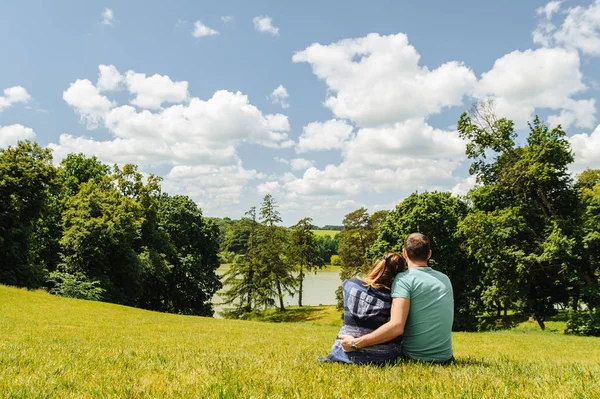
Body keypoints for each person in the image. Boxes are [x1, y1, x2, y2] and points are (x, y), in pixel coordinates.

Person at [340, 233, 454, 364]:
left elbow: (396, 327)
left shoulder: (404, 280)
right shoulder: (444, 279)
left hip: (414, 358)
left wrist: (355, 343)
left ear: (404, 253)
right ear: (429, 254)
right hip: (446, 358)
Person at [319, 252, 406, 364]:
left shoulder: (349, 285)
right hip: (381, 356)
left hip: (343, 352)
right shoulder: (393, 300)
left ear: (376, 266)